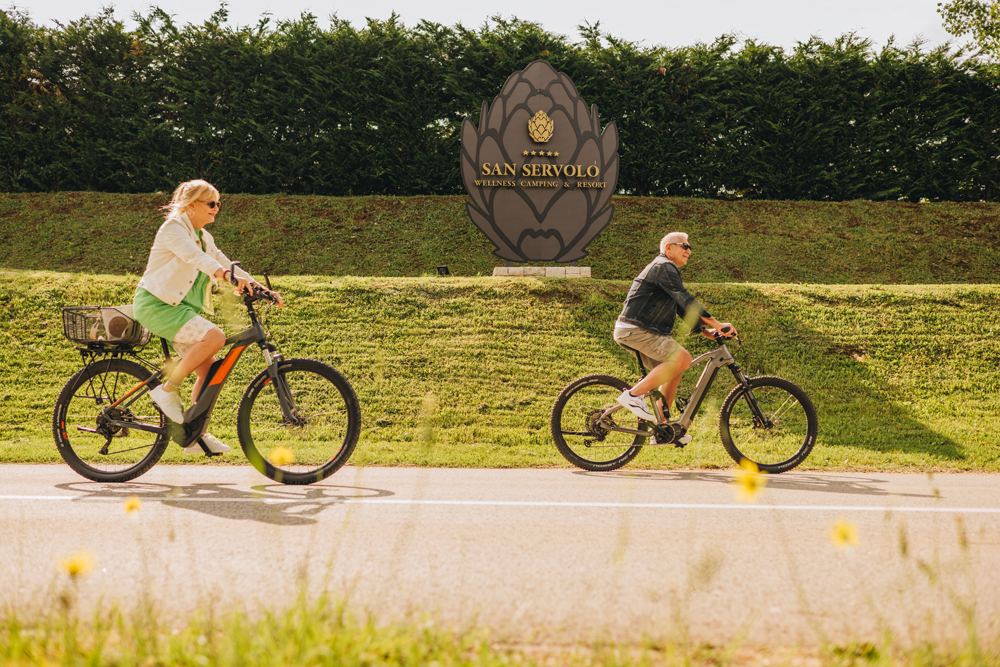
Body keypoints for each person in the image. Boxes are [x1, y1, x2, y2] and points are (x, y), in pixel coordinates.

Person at [133, 179, 282, 454]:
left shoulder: (204, 236)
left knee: (210, 371)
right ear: (191, 205)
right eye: (211, 203)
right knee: (215, 337)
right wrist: (224, 275)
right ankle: (167, 391)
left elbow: (225, 263)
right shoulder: (174, 229)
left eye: (219, 203)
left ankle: (194, 434)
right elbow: (195, 258)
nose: (217, 208)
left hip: (179, 310)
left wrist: (261, 288)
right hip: (157, 305)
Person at [613, 231, 736, 426]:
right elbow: (685, 299)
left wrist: (706, 331)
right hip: (636, 329)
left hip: (635, 330)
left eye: (690, 247)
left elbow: (679, 307)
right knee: (683, 358)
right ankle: (633, 396)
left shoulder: (665, 269)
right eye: (684, 246)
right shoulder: (664, 266)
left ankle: (663, 427)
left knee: (675, 369)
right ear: (668, 248)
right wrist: (718, 324)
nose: (689, 251)